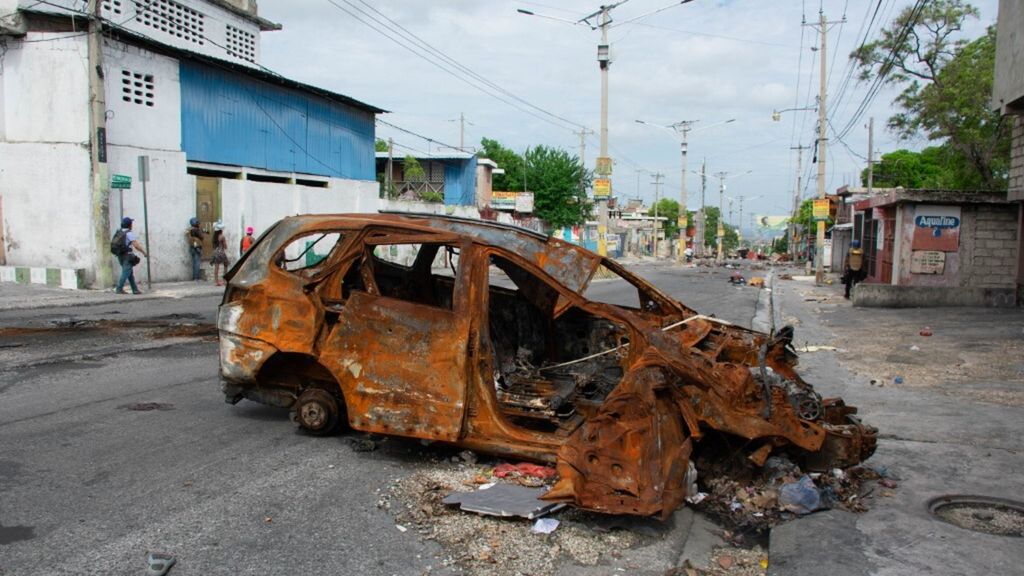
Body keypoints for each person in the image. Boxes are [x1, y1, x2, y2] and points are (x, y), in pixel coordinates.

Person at [115, 217, 147, 295]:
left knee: (130, 273)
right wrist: (144, 252)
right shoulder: (129, 233)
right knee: (126, 273)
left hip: (120, 256)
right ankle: (119, 288)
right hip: (127, 256)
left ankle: (135, 290)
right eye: (131, 223)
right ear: (129, 225)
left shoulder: (119, 232)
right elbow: (136, 245)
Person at [210, 221, 230, 286]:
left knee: (216, 267)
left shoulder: (213, 237)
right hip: (221, 252)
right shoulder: (222, 237)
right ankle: (224, 280)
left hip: (215, 252)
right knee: (226, 265)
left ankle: (216, 282)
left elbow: (213, 246)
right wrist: (225, 244)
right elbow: (225, 246)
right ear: (221, 230)